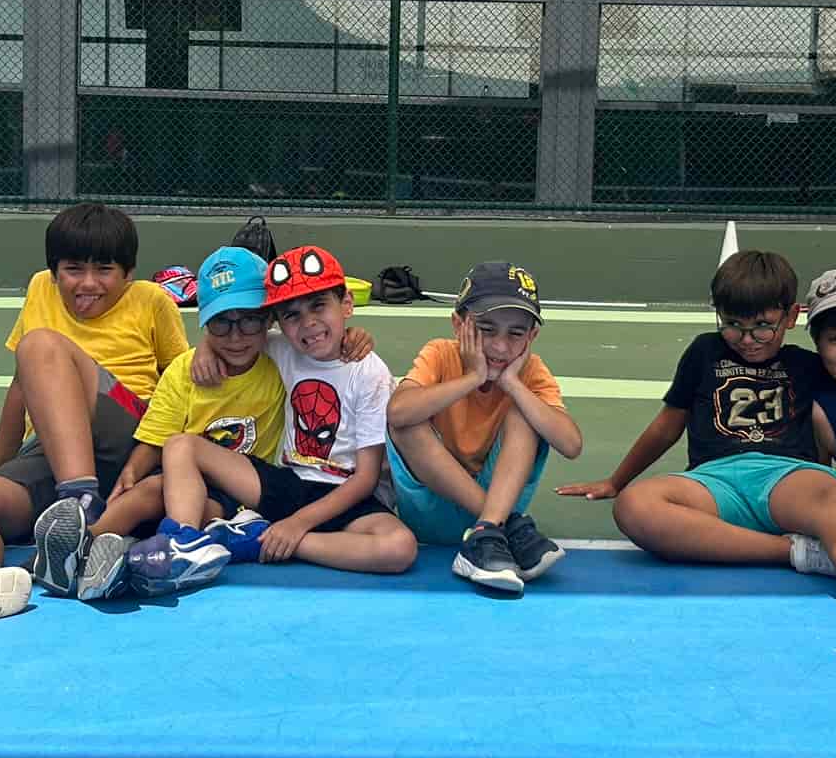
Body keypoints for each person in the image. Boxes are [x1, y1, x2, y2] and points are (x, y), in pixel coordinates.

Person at [558, 249, 836, 640]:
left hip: (788, 477)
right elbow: (666, 426)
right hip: (713, 482)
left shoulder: (808, 364)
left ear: (791, 317)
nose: (747, 340)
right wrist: (617, 482)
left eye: (763, 327)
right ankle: (802, 553)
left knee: (828, 501)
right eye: (733, 325)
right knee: (635, 506)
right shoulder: (703, 352)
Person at [0, 202, 186, 630]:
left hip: (129, 430)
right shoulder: (41, 288)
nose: (88, 283)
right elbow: (22, 385)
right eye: (73, 270)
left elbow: (178, 387)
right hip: (53, 446)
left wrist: (149, 462)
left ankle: (80, 502)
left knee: (41, 345)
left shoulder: (152, 300)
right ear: (54, 271)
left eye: (104, 270)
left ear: (129, 274)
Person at [146, 244, 416, 586]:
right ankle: (182, 544)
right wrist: (205, 347)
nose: (308, 323)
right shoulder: (285, 348)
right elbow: (235, 336)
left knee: (399, 548)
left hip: (348, 495)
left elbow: (365, 479)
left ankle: (261, 541)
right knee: (180, 445)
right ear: (278, 322)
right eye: (292, 315)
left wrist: (296, 526)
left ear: (347, 304)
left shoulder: (369, 373)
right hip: (287, 484)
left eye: (319, 305)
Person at [76, 244, 287, 599]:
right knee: (148, 490)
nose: (236, 336)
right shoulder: (185, 369)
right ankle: (77, 554)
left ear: (269, 318)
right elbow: (156, 437)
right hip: (182, 480)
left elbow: (320, 346)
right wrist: (131, 473)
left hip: (237, 494)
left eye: (250, 320)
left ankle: (162, 551)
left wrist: (354, 339)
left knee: (180, 497)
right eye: (220, 322)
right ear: (205, 321)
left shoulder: (281, 358)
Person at [385, 261, 582, 595]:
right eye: (486, 329)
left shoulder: (530, 370)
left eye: (515, 334)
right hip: (436, 513)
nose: (500, 347)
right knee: (407, 422)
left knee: (527, 412)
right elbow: (398, 412)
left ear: (531, 337)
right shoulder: (440, 353)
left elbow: (571, 445)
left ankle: (486, 530)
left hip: (497, 516)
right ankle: (494, 527)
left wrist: (512, 384)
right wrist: (473, 377)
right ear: (458, 324)